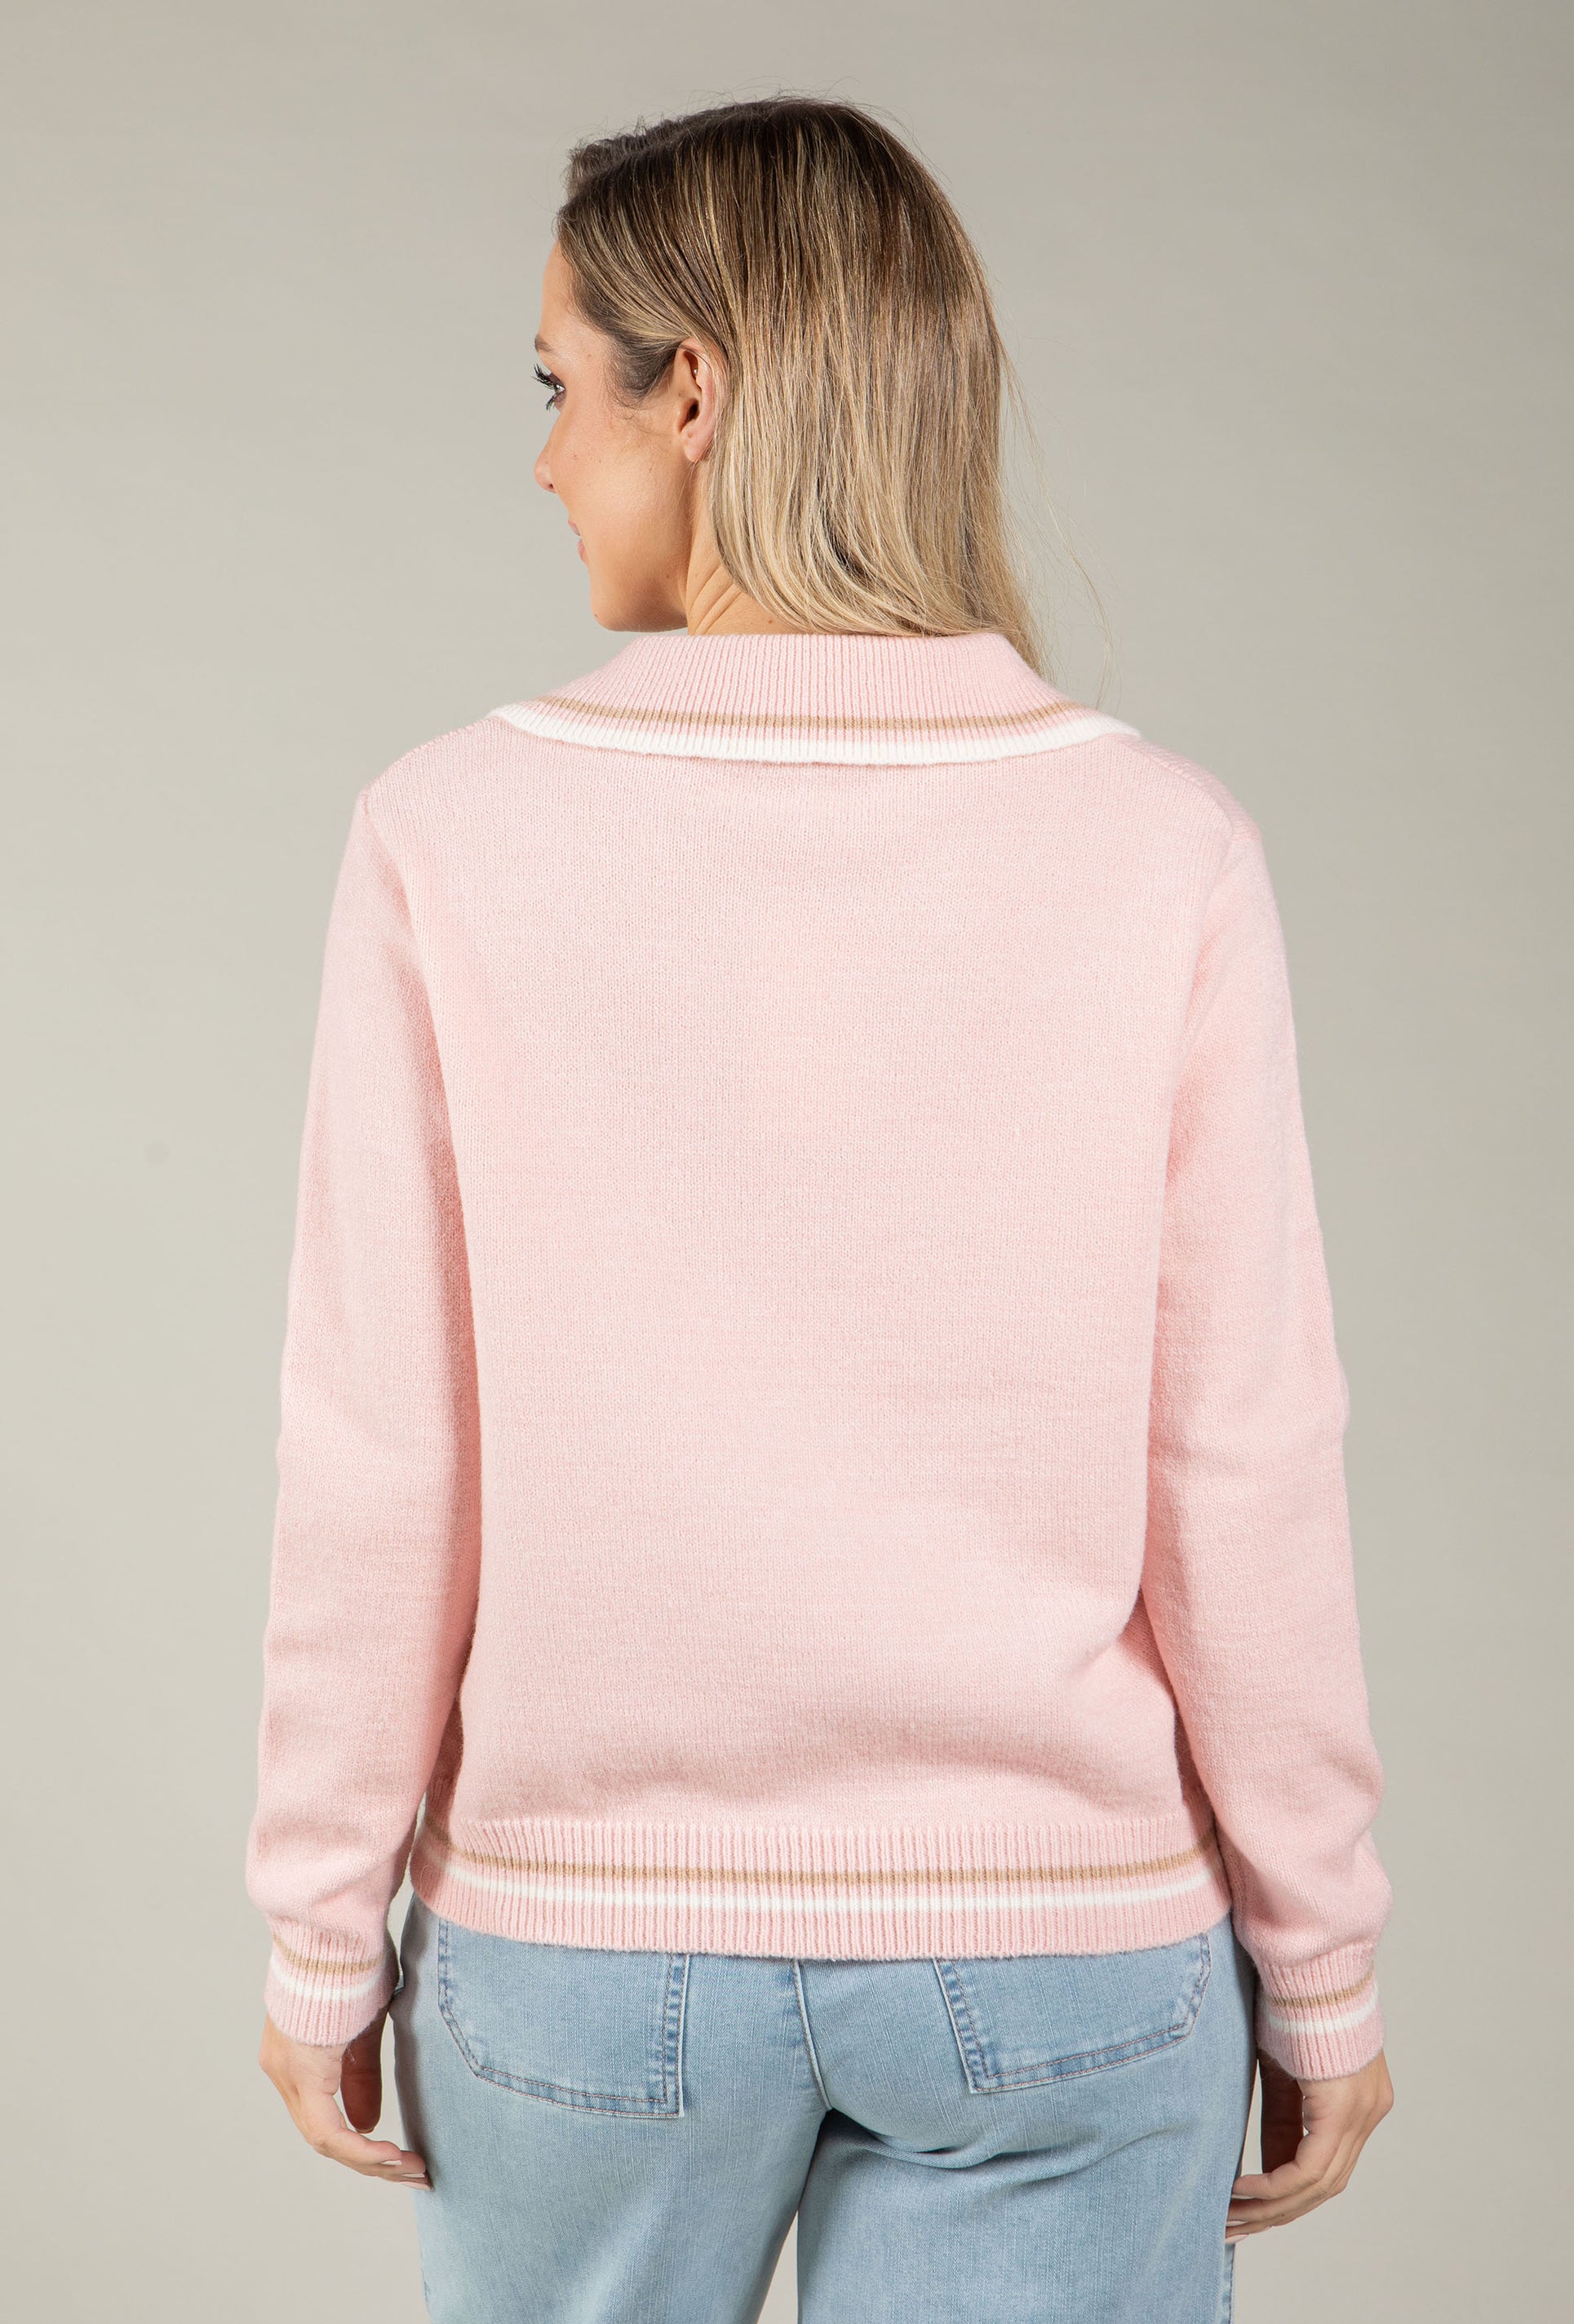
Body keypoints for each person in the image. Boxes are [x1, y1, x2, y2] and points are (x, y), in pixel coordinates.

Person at [247, 95, 1393, 2323]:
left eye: (558, 386)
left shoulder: (446, 834)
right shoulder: (1163, 846)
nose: (545, 457)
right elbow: (1240, 1453)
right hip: (1059, 1947)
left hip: (583, 1948)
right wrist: (1321, 1957)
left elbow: (382, 1441)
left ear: (691, 390)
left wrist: (318, 1921)